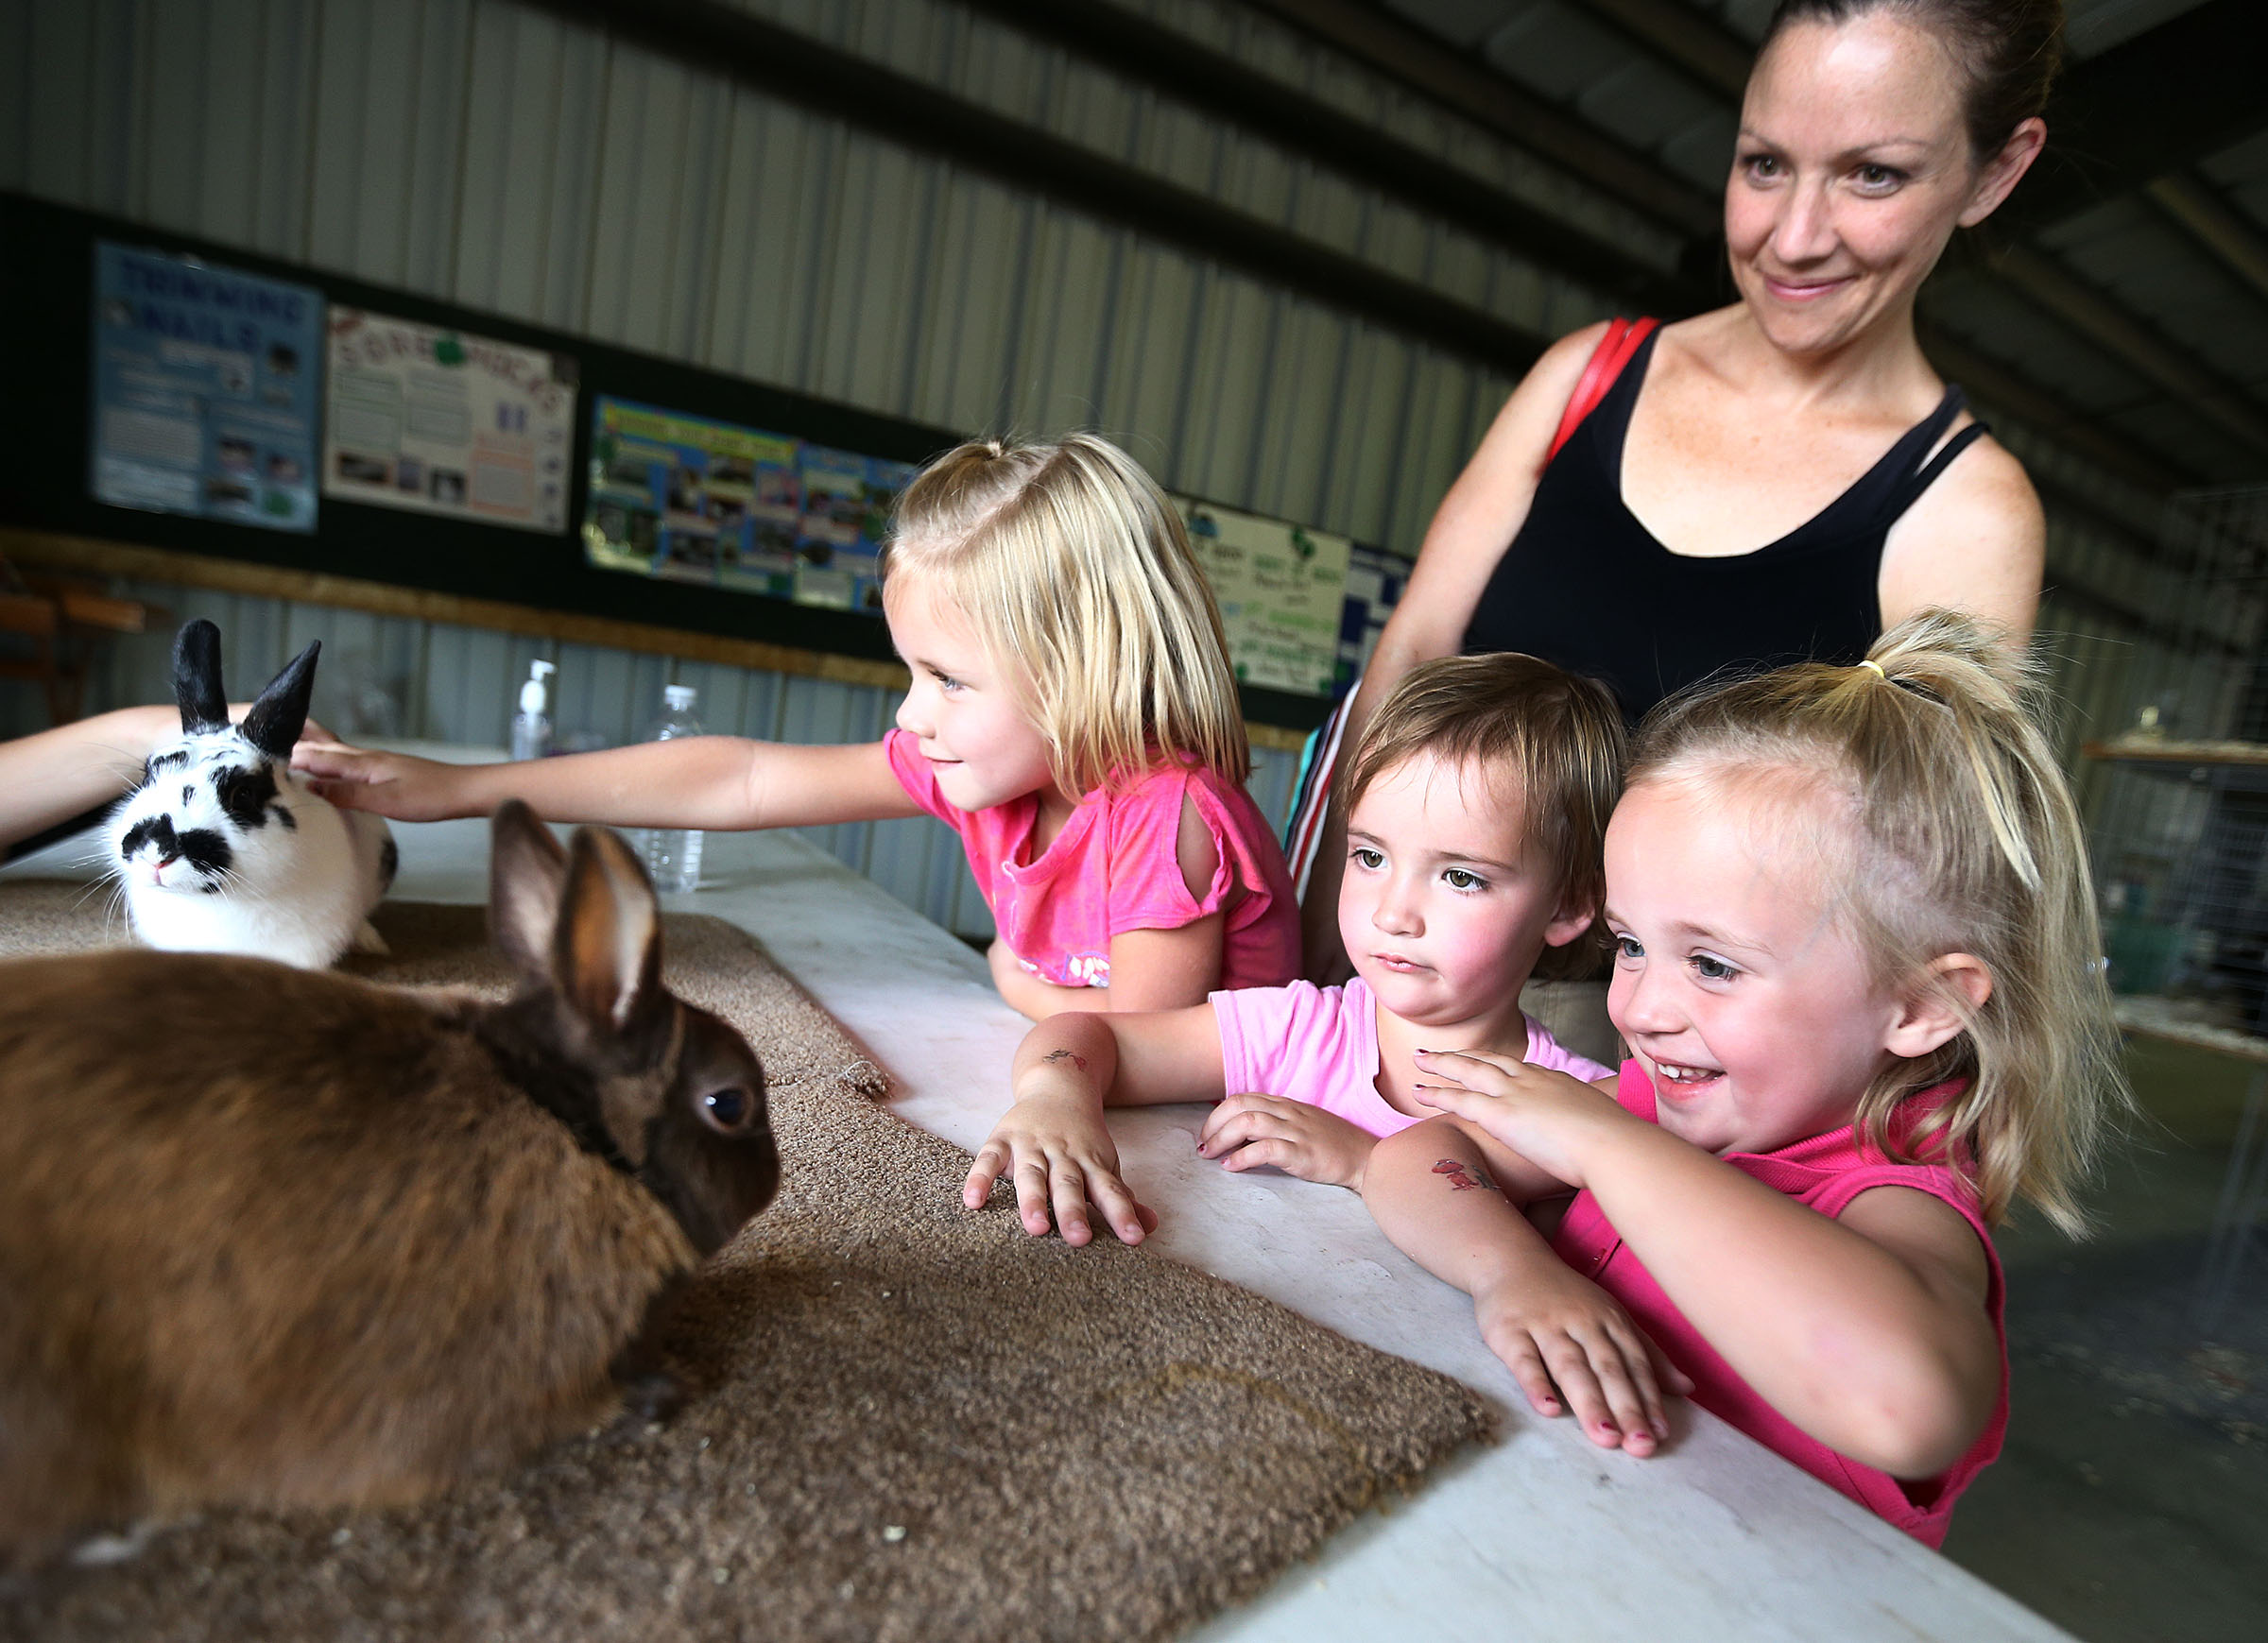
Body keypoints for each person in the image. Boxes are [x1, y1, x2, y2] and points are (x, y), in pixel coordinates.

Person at [1302, 0, 2063, 977]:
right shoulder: (1588, 378)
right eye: (1764, 164)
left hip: (1662, 1073)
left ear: (1995, 171)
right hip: (1401, 990)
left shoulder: (1966, 510)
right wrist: (1324, 951)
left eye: (1872, 175)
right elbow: (1411, 655)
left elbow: (1914, 878)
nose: (1793, 237)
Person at [1363, 610, 2126, 1544]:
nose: (1638, 1008)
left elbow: (1907, 1403)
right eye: (1632, 946)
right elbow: (1418, 1157)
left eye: (1714, 964)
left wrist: (1609, 1147)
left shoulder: (1897, 1205)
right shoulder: (1651, 1104)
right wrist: (1515, 1273)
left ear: (1925, 1006)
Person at [297, 434, 1300, 1018]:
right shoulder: (983, 772)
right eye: (913, 670)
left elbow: (1140, 1045)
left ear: (1088, 671)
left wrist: (1010, 976)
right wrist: (462, 788)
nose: (913, 712)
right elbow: (737, 780)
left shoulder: (1170, 817)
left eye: (949, 678)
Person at [962, 652, 1630, 1249]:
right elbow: (1085, 1036)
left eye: (1461, 876)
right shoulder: (1299, 1031)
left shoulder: (1588, 1108)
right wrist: (1056, 1100)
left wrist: (1361, 1157)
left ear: (1569, 904)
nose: (1393, 913)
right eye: (1370, 856)